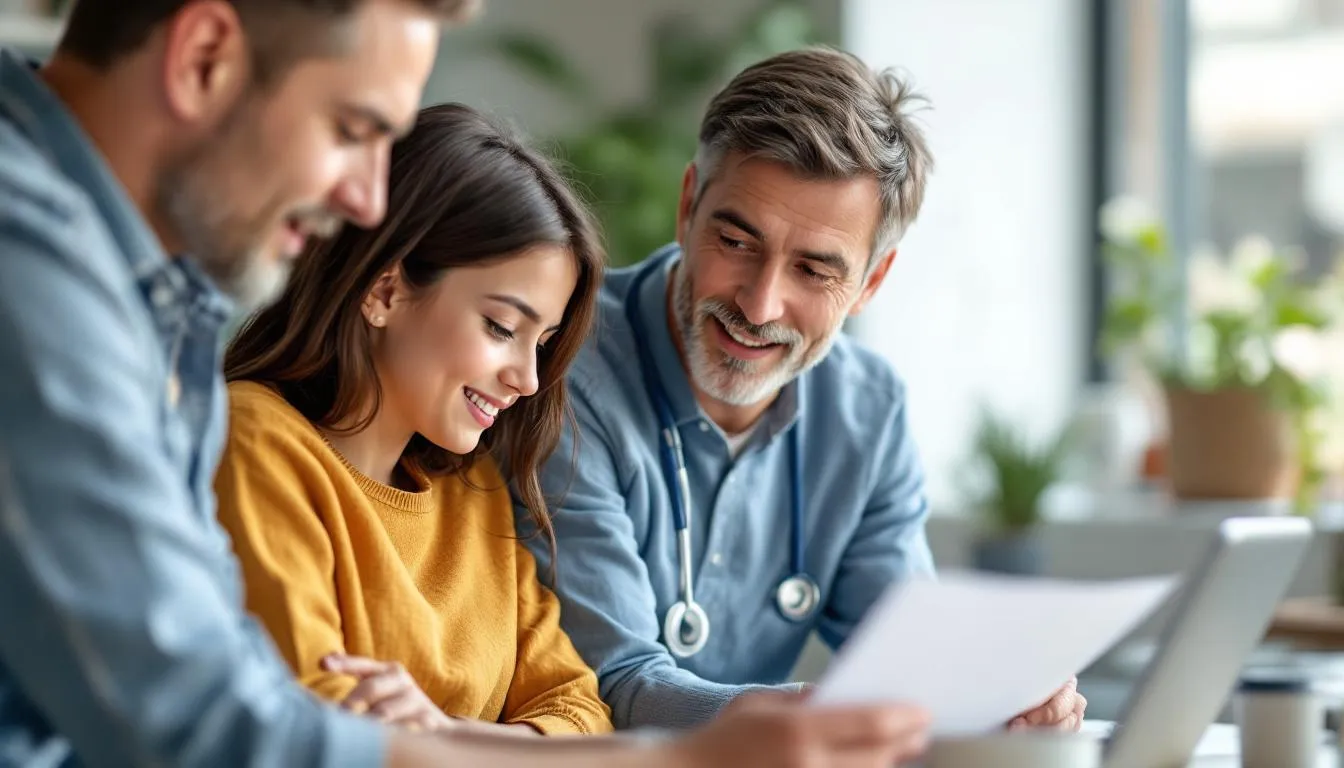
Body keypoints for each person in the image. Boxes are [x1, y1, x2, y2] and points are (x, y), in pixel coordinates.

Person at [0, 1, 932, 765]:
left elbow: (568, 699)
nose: (366, 201)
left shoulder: (151, 301)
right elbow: (214, 720)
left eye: (815, 269)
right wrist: (677, 759)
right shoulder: (36, 275)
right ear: (203, 55)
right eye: (352, 128)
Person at [520, 46, 1088, 732]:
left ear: (870, 285)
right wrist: (817, 715)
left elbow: (911, 666)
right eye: (735, 242)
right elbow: (612, 686)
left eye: (815, 272)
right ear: (688, 207)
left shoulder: (867, 412)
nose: (759, 306)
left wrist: (997, 702)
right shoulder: (561, 365)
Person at [214, 102, 613, 737]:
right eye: (502, 327)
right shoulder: (256, 441)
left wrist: (446, 734)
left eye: (540, 344)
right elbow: (319, 726)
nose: (528, 379)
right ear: (385, 290)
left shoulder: (472, 493)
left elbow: (582, 714)